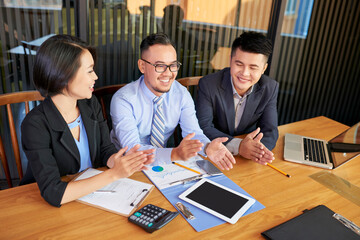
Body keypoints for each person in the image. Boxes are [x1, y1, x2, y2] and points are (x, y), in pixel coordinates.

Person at [21, 34, 154, 207]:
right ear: (64, 74)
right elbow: (53, 193)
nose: (96, 77)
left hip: (91, 196)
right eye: (90, 70)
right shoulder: (35, 124)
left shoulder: (90, 104)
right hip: (45, 206)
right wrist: (114, 174)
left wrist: (123, 162)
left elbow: (105, 150)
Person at [110, 33, 235, 170]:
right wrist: (174, 154)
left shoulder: (181, 94)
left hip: (164, 163)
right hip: (124, 167)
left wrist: (206, 147)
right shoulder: (123, 99)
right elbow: (133, 151)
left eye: (173, 65)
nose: (168, 73)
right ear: (142, 66)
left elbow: (193, 133)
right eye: (160, 66)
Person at [195, 31, 279, 165]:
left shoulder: (270, 87)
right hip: (215, 156)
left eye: (253, 67)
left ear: (264, 69)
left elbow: (270, 130)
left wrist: (257, 151)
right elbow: (203, 127)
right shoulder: (209, 84)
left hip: (246, 161)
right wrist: (239, 146)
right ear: (230, 60)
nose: (245, 73)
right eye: (239, 64)